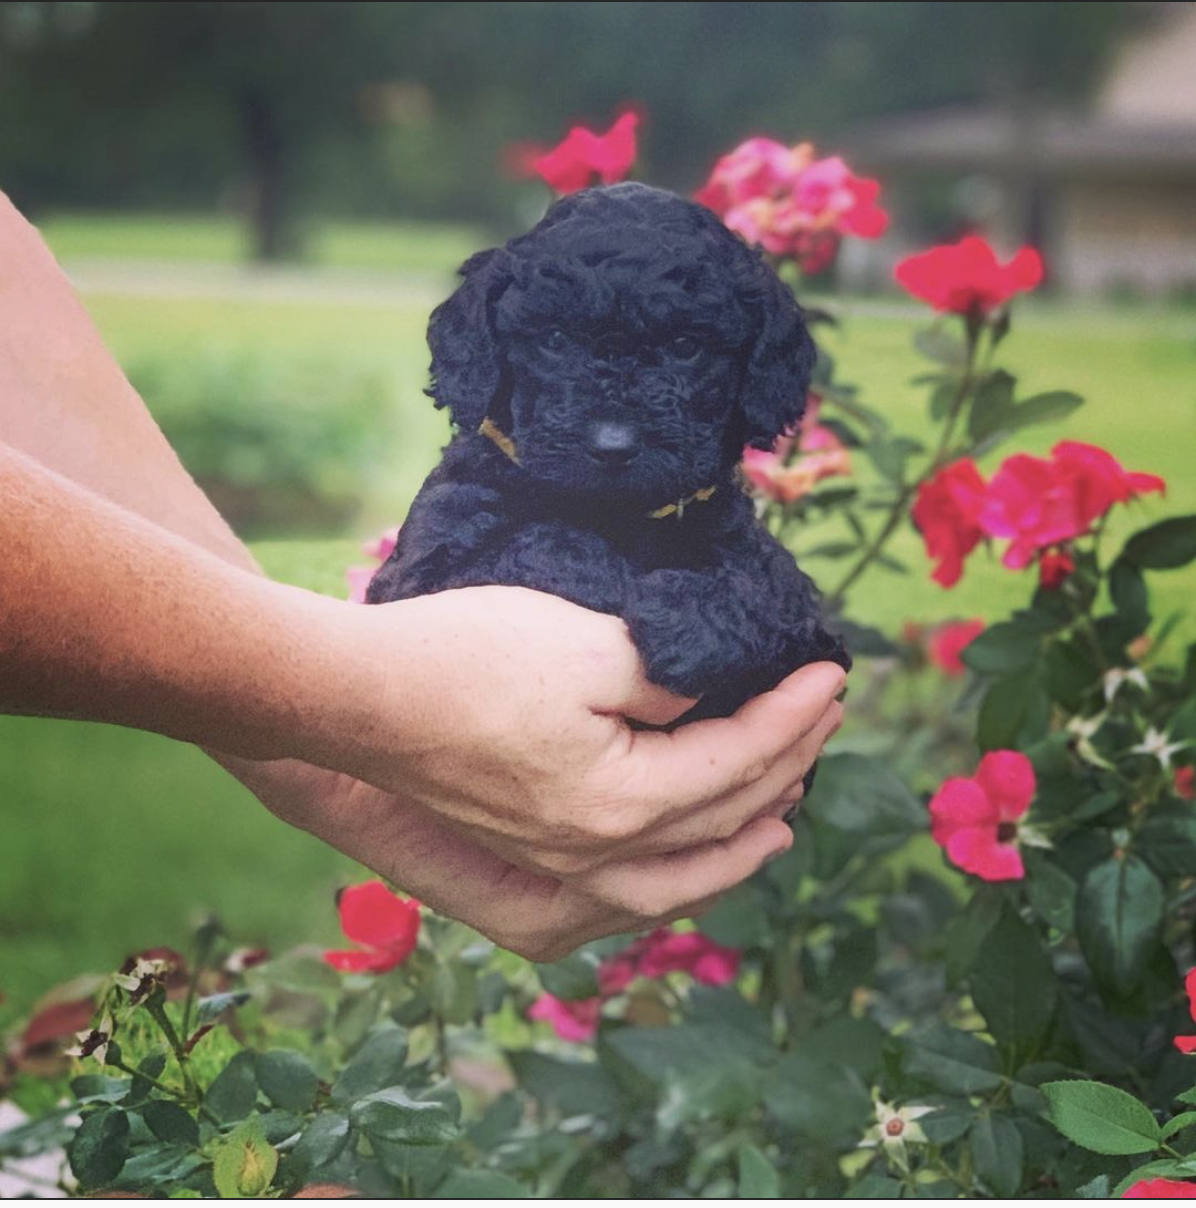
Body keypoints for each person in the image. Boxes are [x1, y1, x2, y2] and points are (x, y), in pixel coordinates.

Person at [0, 191, 845, 960]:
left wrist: (721, 628)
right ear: (493, 346)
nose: (614, 427)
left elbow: (793, 633)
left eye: (685, 350)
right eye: (557, 344)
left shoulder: (709, 519)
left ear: (750, 366)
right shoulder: (477, 499)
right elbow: (414, 604)